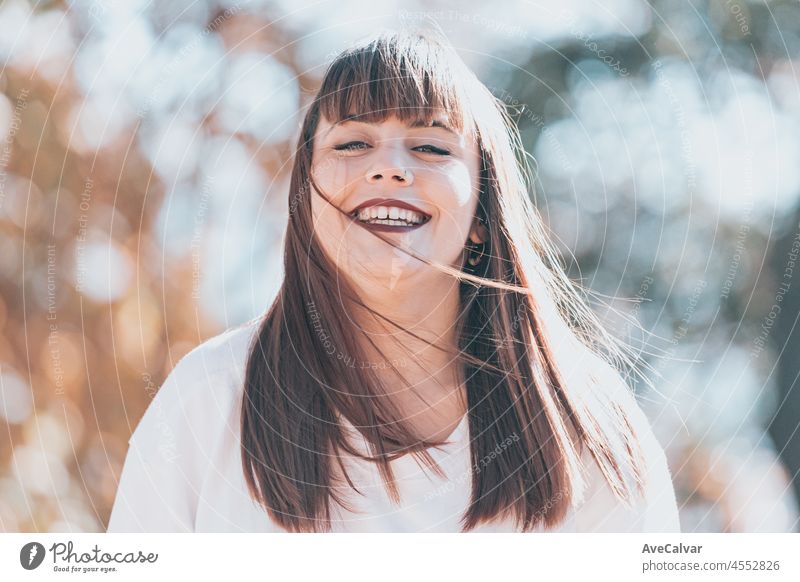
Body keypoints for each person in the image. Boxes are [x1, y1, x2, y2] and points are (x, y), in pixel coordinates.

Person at [107, 28, 680, 533]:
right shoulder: (209, 399)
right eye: (352, 143)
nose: (388, 166)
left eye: (431, 146)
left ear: (483, 216)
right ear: (306, 203)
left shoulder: (588, 429)